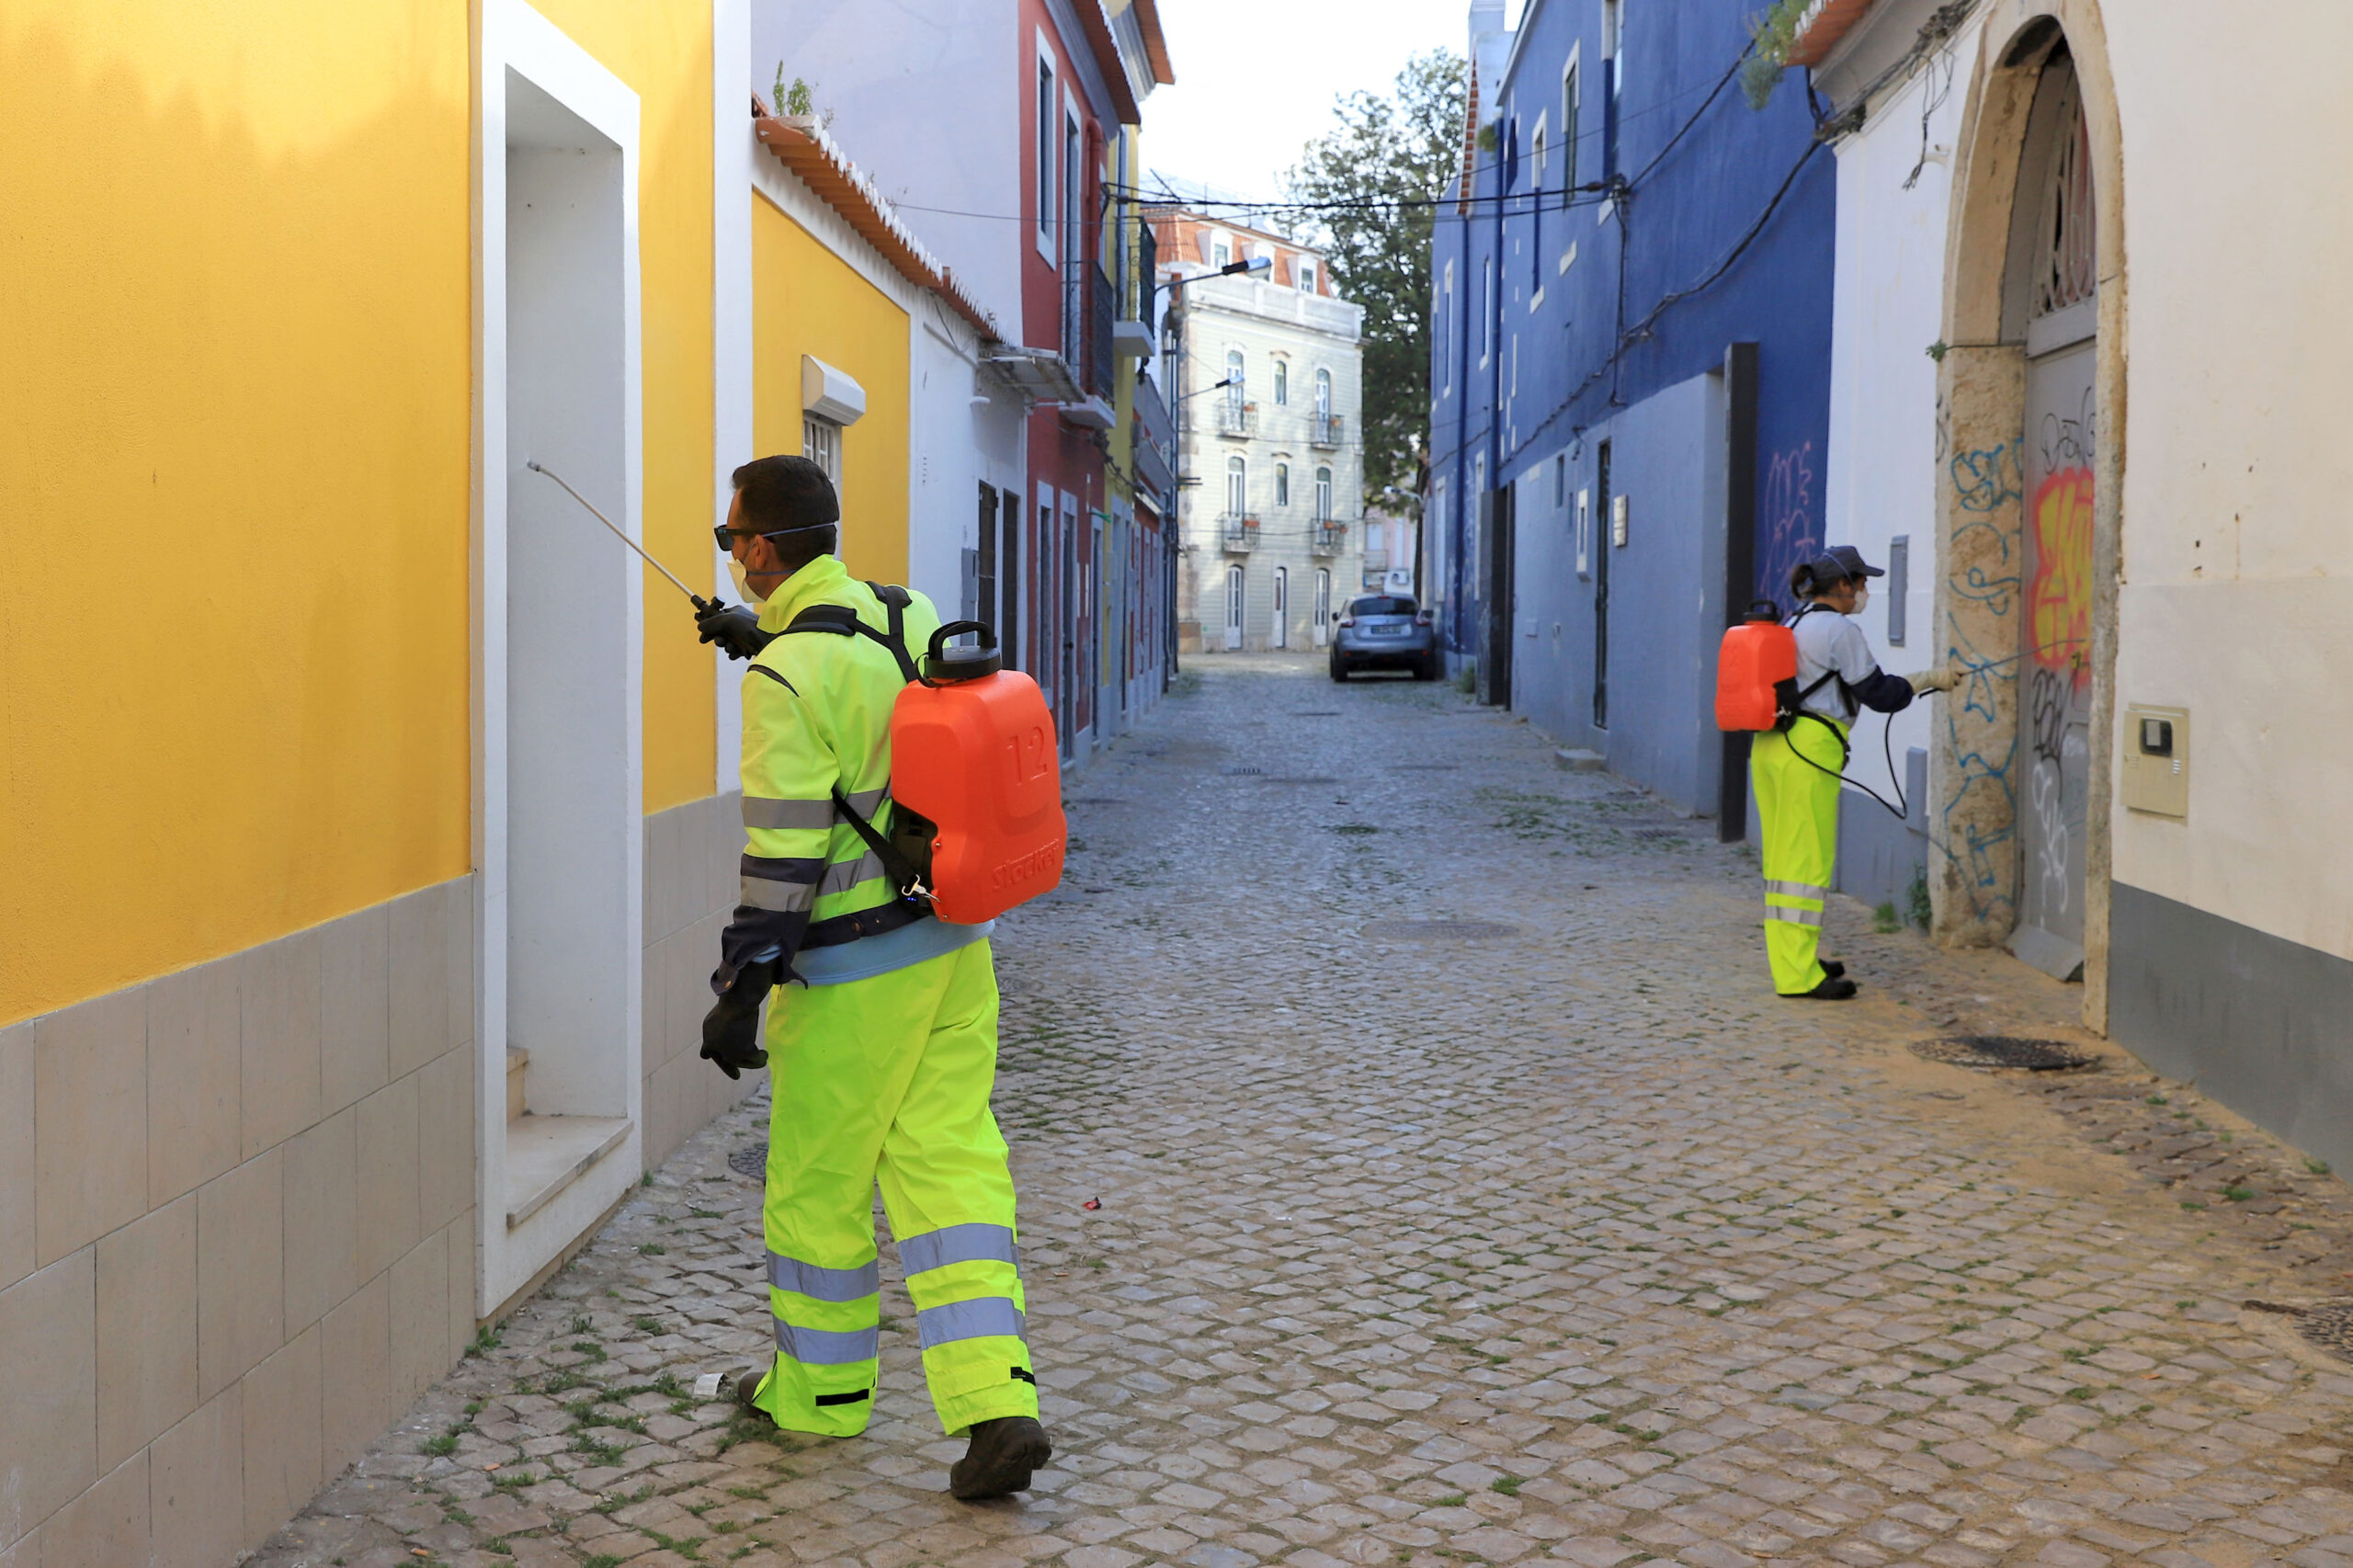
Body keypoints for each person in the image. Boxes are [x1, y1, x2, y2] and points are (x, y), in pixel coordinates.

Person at [695, 455, 1051, 1500]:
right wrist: (760, 637)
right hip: (953, 948)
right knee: (951, 1172)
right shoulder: (904, 613)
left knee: (816, 1183)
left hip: (855, 974)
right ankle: (999, 1407)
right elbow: (869, 694)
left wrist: (741, 986)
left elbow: (788, 851)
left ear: (761, 549)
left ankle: (823, 1394)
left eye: (732, 540)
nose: (731, 555)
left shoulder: (782, 678)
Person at [1752, 545, 1959, 1000]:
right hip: (1807, 748)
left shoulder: (1794, 622)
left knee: (1783, 864)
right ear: (1842, 585)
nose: (1865, 591)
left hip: (1770, 746)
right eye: (1862, 583)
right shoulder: (1839, 630)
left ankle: (1796, 958)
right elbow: (1879, 693)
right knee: (1804, 864)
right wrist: (1931, 679)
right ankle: (1798, 976)